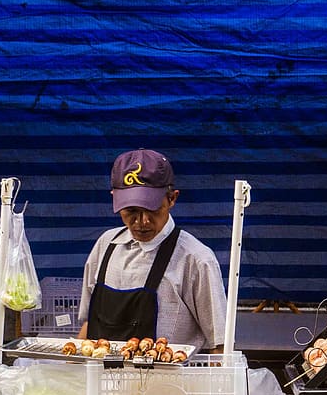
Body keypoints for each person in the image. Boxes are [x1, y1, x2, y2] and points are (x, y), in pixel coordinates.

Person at [77, 149, 227, 351]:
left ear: (172, 198)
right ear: (114, 199)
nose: (142, 221)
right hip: (100, 380)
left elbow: (220, 345)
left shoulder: (195, 259)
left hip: (169, 381)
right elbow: (89, 324)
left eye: (153, 210)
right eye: (131, 211)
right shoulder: (106, 245)